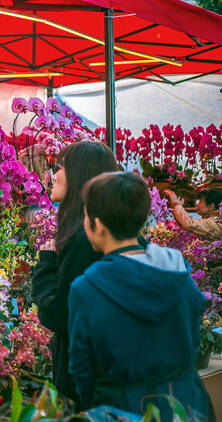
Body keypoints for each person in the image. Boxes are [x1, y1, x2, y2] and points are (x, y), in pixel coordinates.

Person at [69, 172, 210, 420]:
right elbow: (194, 340)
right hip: (186, 406)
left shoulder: (88, 288)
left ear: (98, 224)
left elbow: (83, 369)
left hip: (124, 410)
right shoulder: (178, 270)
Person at [32, 141, 121, 407]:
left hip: (86, 383)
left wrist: (46, 264)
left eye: (61, 167)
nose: (53, 175)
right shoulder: (105, 232)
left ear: (81, 176)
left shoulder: (86, 239)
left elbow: (60, 314)